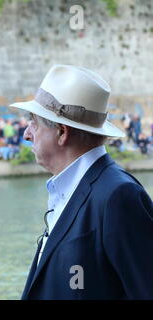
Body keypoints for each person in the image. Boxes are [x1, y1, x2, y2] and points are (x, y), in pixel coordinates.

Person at [9, 64, 153, 300]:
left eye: (33, 121)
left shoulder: (119, 195)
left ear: (62, 133)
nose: (26, 133)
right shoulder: (71, 189)